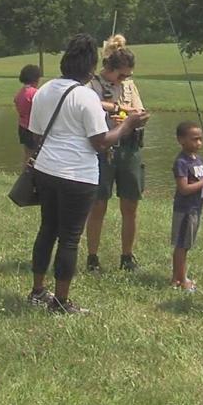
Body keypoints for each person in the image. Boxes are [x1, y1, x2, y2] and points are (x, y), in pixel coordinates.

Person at [27, 34, 150, 315]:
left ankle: (37, 291)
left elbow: (35, 135)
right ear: (91, 66)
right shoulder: (85, 96)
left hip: (45, 170)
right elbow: (102, 141)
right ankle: (60, 302)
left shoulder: (45, 90)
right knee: (69, 238)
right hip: (76, 175)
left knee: (47, 230)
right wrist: (128, 124)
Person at [84, 34, 147, 272]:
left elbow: (139, 110)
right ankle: (92, 258)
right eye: (121, 75)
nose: (124, 79)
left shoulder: (130, 86)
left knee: (130, 205)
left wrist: (139, 117)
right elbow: (92, 103)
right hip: (105, 149)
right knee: (98, 205)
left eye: (128, 76)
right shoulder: (93, 84)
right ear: (109, 68)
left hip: (130, 148)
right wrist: (119, 110)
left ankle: (127, 256)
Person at [171, 121, 203, 292]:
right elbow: (184, 188)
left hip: (196, 208)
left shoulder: (199, 160)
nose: (198, 143)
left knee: (186, 244)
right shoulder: (181, 162)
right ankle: (182, 280)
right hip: (185, 209)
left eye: (200, 139)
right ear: (181, 140)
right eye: (194, 139)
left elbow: (200, 185)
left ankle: (178, 277)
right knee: (182, 245)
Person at [14, 64, 41, 167]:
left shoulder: (20, 92)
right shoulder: (35, 93)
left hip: (22, 127)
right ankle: (30, 177)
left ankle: (25, 175)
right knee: (35, 155)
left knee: (27, 154)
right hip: (32, 128)